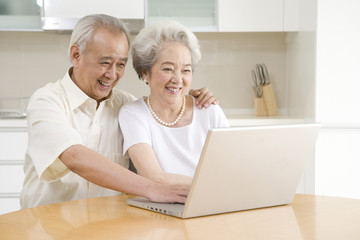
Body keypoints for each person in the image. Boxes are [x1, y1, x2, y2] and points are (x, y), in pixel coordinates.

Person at [20, 14, 217, 208]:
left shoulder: (127, 107)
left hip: (107, 227)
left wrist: (190, 98)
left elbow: (167, 130)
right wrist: (152, 188)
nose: (113, 74)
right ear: (76, 55)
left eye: (121, 64)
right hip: (50, 226)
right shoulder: (47, 101)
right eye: (105, 62)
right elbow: (74, 157)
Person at [118, 20, 229, 186]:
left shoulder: (209, 111)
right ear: (145, 73)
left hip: (212, 204)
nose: (178, 79)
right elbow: (153, 178)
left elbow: (232, 168)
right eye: (168, 69)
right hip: (161, 207)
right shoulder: (133, 114)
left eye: (186, 70)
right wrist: (209, 187)